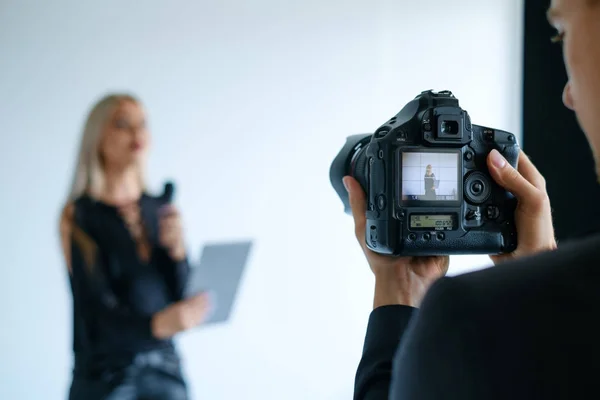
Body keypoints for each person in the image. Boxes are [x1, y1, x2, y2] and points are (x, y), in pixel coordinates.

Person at [344, 0, 600, 398]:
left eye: (563, 32)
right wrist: (542, 281)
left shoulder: (465, 320)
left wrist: (400, 295)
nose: (567, 94)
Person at [60, 93, 211, 400]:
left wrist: (178, 252)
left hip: (165, 369)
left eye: (143, 124)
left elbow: (180, 292)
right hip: (106, 376)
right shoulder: (80, 216)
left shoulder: (159, 208)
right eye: (122, 124)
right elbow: (96, 313)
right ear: (98, 138)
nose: (137, 133)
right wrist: (157, 325)